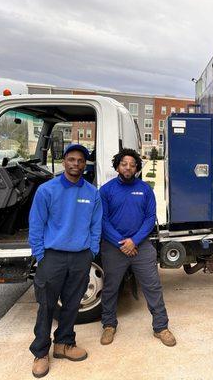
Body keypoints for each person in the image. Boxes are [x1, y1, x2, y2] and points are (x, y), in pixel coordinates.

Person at [28, 144, 102, 378]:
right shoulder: (46, 190)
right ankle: (41, 352)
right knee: (47, 306)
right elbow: (37, 224)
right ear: (64, 162)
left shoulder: (92, 193)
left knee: (72, 305)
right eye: (71, 159)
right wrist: (40, 255)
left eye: (80, 160)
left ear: (85, 164)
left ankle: (64, 344)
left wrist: (91, 251)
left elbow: (95, 225)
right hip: (53, 257)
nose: (76, 164)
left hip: (81, 257)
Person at [99, 148, 176, 347]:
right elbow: (103, 220)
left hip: (141, 246)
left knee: (153, 287)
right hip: (113, 247)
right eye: (124, 164)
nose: (128, 167)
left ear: (137, 168)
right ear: (117, 166)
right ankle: (108, 325)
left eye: (133, 165)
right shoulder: (106, 190)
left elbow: (150, 218)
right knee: (110, 288)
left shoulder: (145, 189)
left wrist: (134, 241)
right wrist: (122, 243)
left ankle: (161, 327)